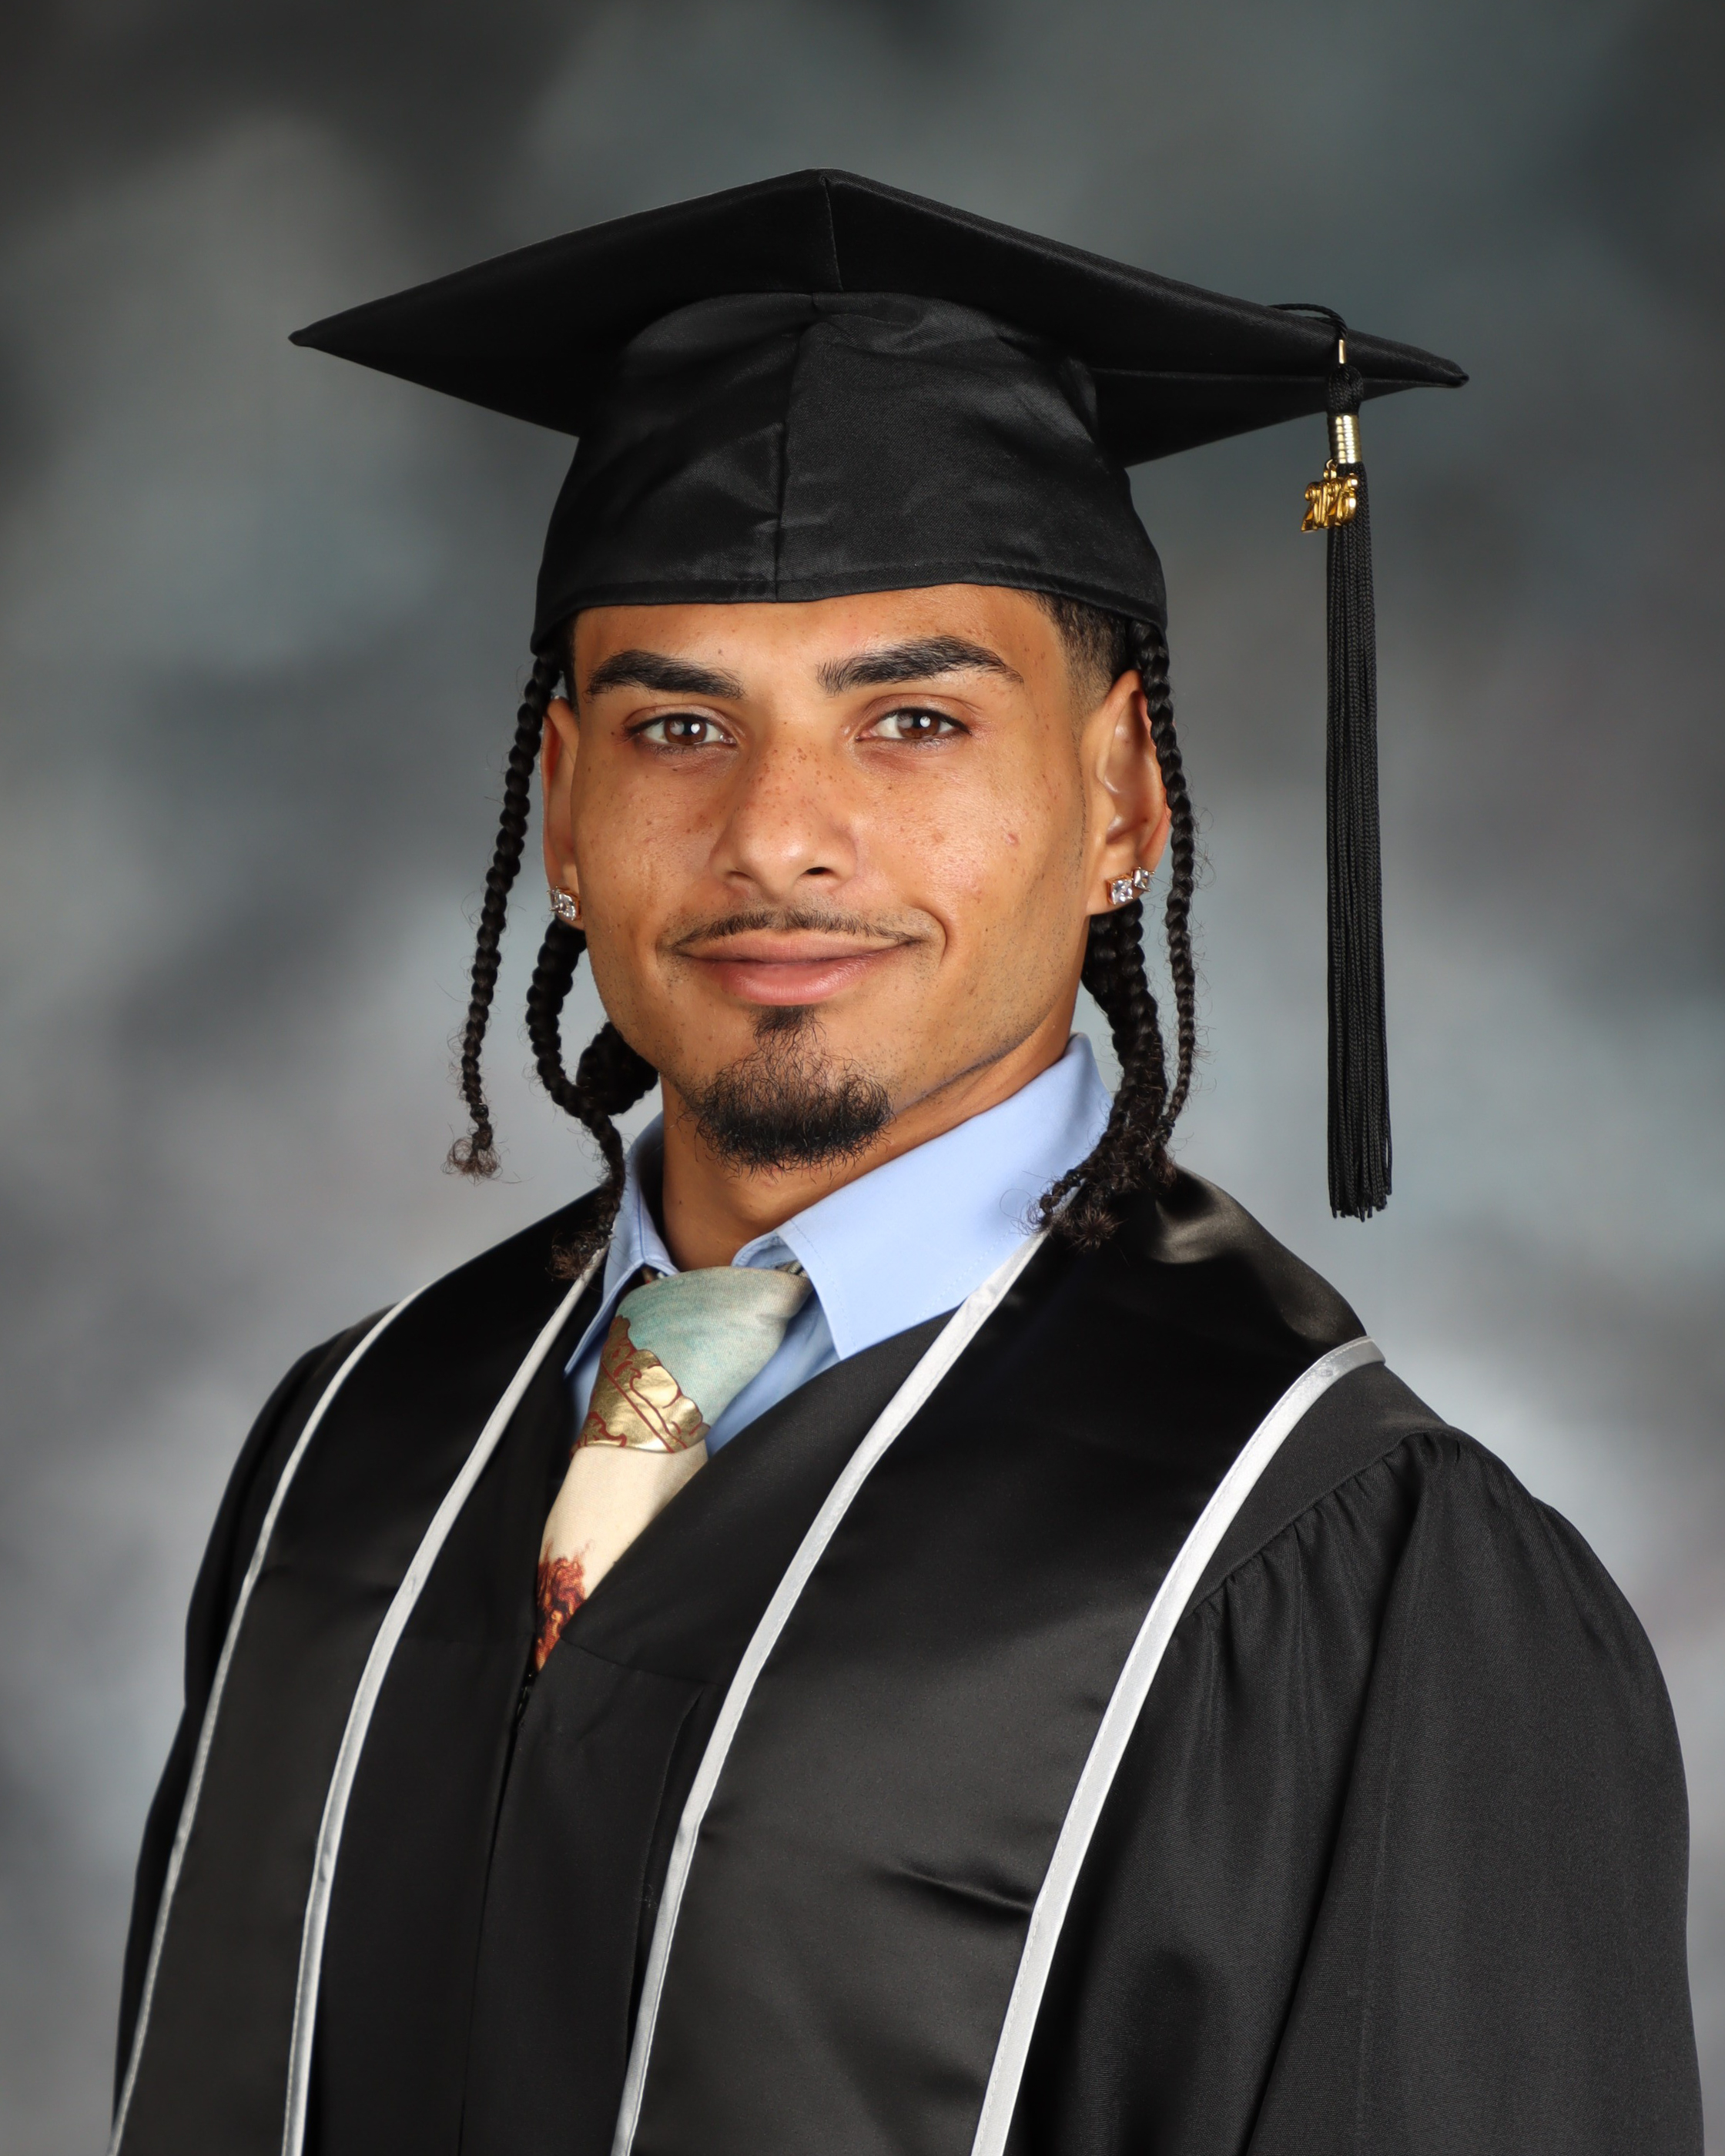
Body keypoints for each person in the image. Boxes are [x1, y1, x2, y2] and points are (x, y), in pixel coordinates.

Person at [111, 172, 1701, 2156]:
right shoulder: (353, 1445)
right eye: (679, 726)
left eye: (916, 721)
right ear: (566, 808)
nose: (780, 834)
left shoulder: (1341, 1573)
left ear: (1120, 798)